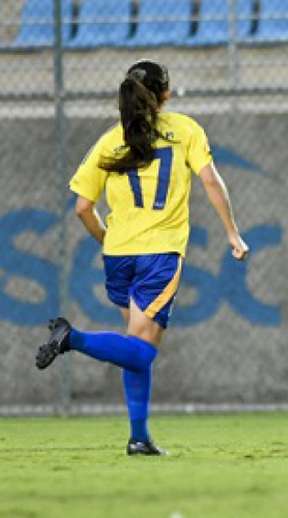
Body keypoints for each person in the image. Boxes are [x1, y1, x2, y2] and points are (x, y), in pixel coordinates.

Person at [35, 60, 249, 455]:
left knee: (135, 348)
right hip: (159, 252)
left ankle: (138, 437)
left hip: (118, 254)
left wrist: (105, 239)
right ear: (164, 94)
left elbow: (83, 206)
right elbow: (211, 181)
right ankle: (72, 339)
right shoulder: (184, 130)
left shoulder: (109, 141)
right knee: (144, 349)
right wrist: (232, 232)